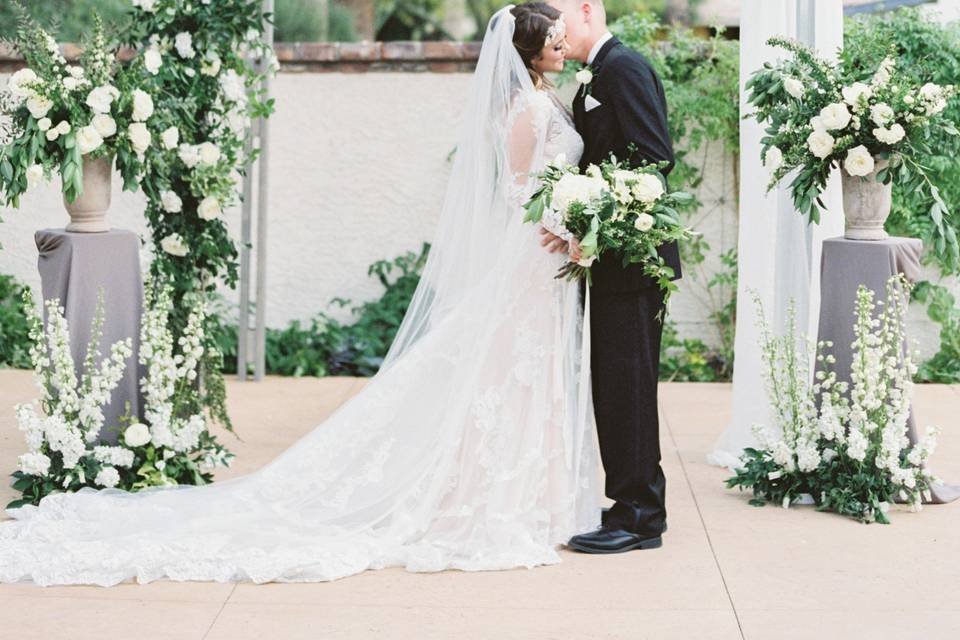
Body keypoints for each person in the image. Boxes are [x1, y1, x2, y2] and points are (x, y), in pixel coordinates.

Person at [0, 3, 602, 586]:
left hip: (542, 263)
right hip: (530, 256)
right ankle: (495, 499)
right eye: (550, 39)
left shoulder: (548, 97)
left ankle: (535, 496)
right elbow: (522, 194)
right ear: (527, 51)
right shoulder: (525, 107)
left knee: (520, 375)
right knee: (503, 374)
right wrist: (571, 224)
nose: (559, 44)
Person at [543, 0, 681, 554]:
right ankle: (630, 500)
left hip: (636, 262)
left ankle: (640, 515)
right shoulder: (594, 75)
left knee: (627, 387)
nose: (555, 33)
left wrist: (587, 215)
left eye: (559, 20)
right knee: (614, 385)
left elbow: (653, 158)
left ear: (586, 9)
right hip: (610, 262)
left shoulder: (624, 68)